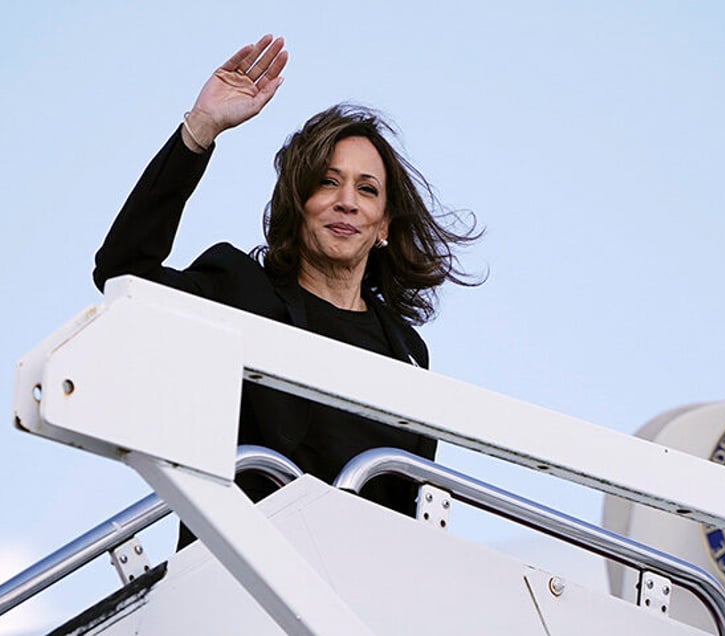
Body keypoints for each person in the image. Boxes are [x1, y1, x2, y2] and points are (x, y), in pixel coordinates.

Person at [93, 35, 481, 547]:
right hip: (240, 582)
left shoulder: (406, 351)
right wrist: (200, 129)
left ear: (384, 222)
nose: (347, 202)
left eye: (367, 189)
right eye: (327, 182)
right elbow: (123, 271)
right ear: (298, 203)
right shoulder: (236, 288)